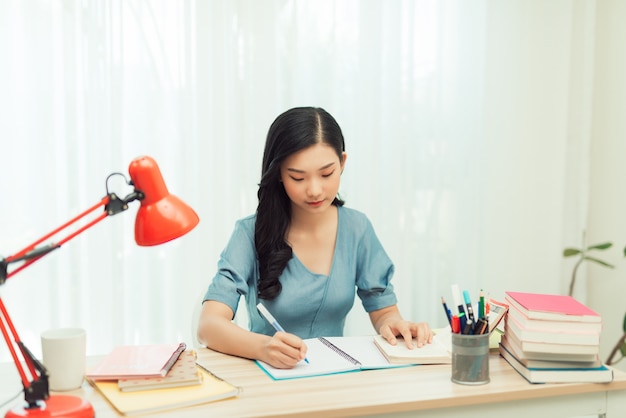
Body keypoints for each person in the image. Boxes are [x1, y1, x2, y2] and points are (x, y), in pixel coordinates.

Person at [197, 106, 433, 369]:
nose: (315, 190)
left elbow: (384, 310)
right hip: (269, 379)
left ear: (342, 163)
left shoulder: (357, 228)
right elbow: (209, 325)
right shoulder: (249, 233)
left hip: (336, 377)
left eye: (326, 174)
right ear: (278, 175)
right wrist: (263, 347)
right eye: (297, 177)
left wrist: (395, 325)